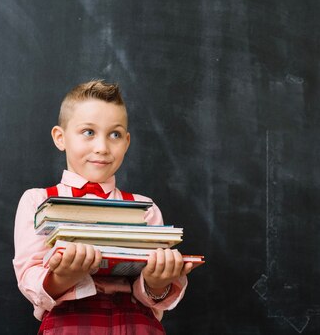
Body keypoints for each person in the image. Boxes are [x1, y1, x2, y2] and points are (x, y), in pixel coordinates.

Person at [13, 79, 192, 335]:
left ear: (127, 142)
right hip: (70, 325)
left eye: (115, 134)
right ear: (60, 137)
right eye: (88, 132)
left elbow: (153, 296)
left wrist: (157, 282)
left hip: (137, 325)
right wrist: (63, 277)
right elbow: (28, 277)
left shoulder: (144, 208)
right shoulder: (37, 201)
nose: (102, 148)